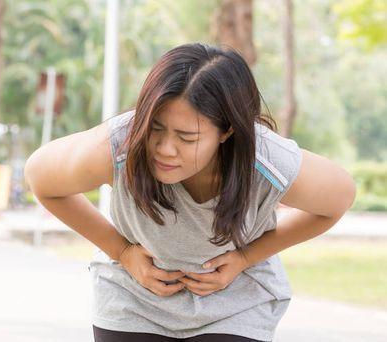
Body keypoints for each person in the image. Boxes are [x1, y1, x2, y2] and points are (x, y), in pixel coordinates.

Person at [24, 43, 356, 342]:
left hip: (234, 308)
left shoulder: (265, 160)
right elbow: (41, 178)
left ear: (227, 131)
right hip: (133, 303)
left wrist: (245, 257)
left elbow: (337, 201)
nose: (165, 149)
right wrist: (121, 250)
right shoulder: (122, 145)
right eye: (156, 128)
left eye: (187, 137)